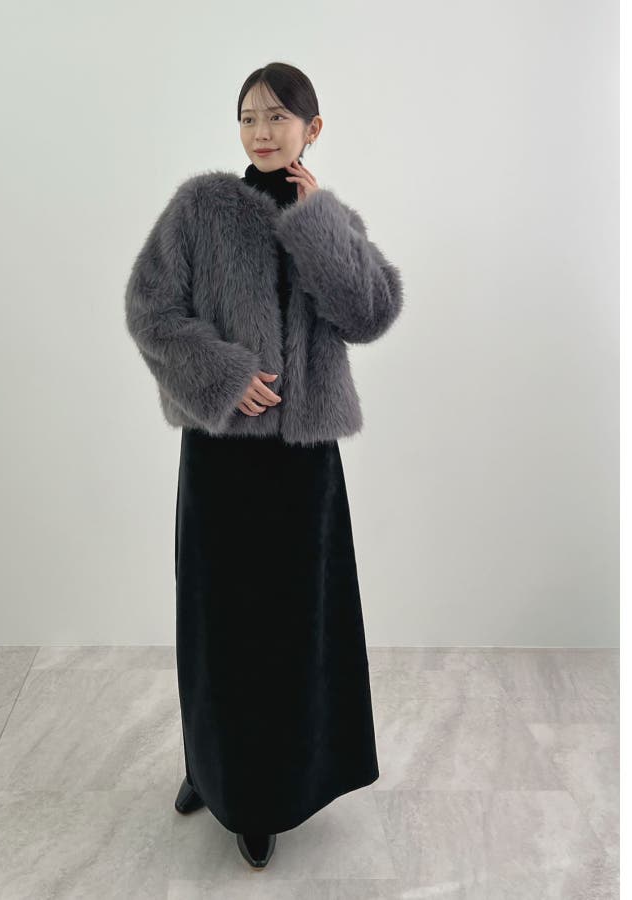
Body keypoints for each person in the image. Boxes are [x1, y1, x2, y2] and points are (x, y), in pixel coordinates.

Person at [125, 62, 404, 869]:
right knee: (217, 620)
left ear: (311, 129)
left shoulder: (330, 219)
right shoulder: (201, 207)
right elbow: (150, 309)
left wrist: (319, 226)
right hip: (222, 456)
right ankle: (211, 771)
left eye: (278, 116)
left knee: (294, 625)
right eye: (249, 116)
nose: (261, 131)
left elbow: (369, 313)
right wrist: (222, 375)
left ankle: (275, 789)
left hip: (303, 462)